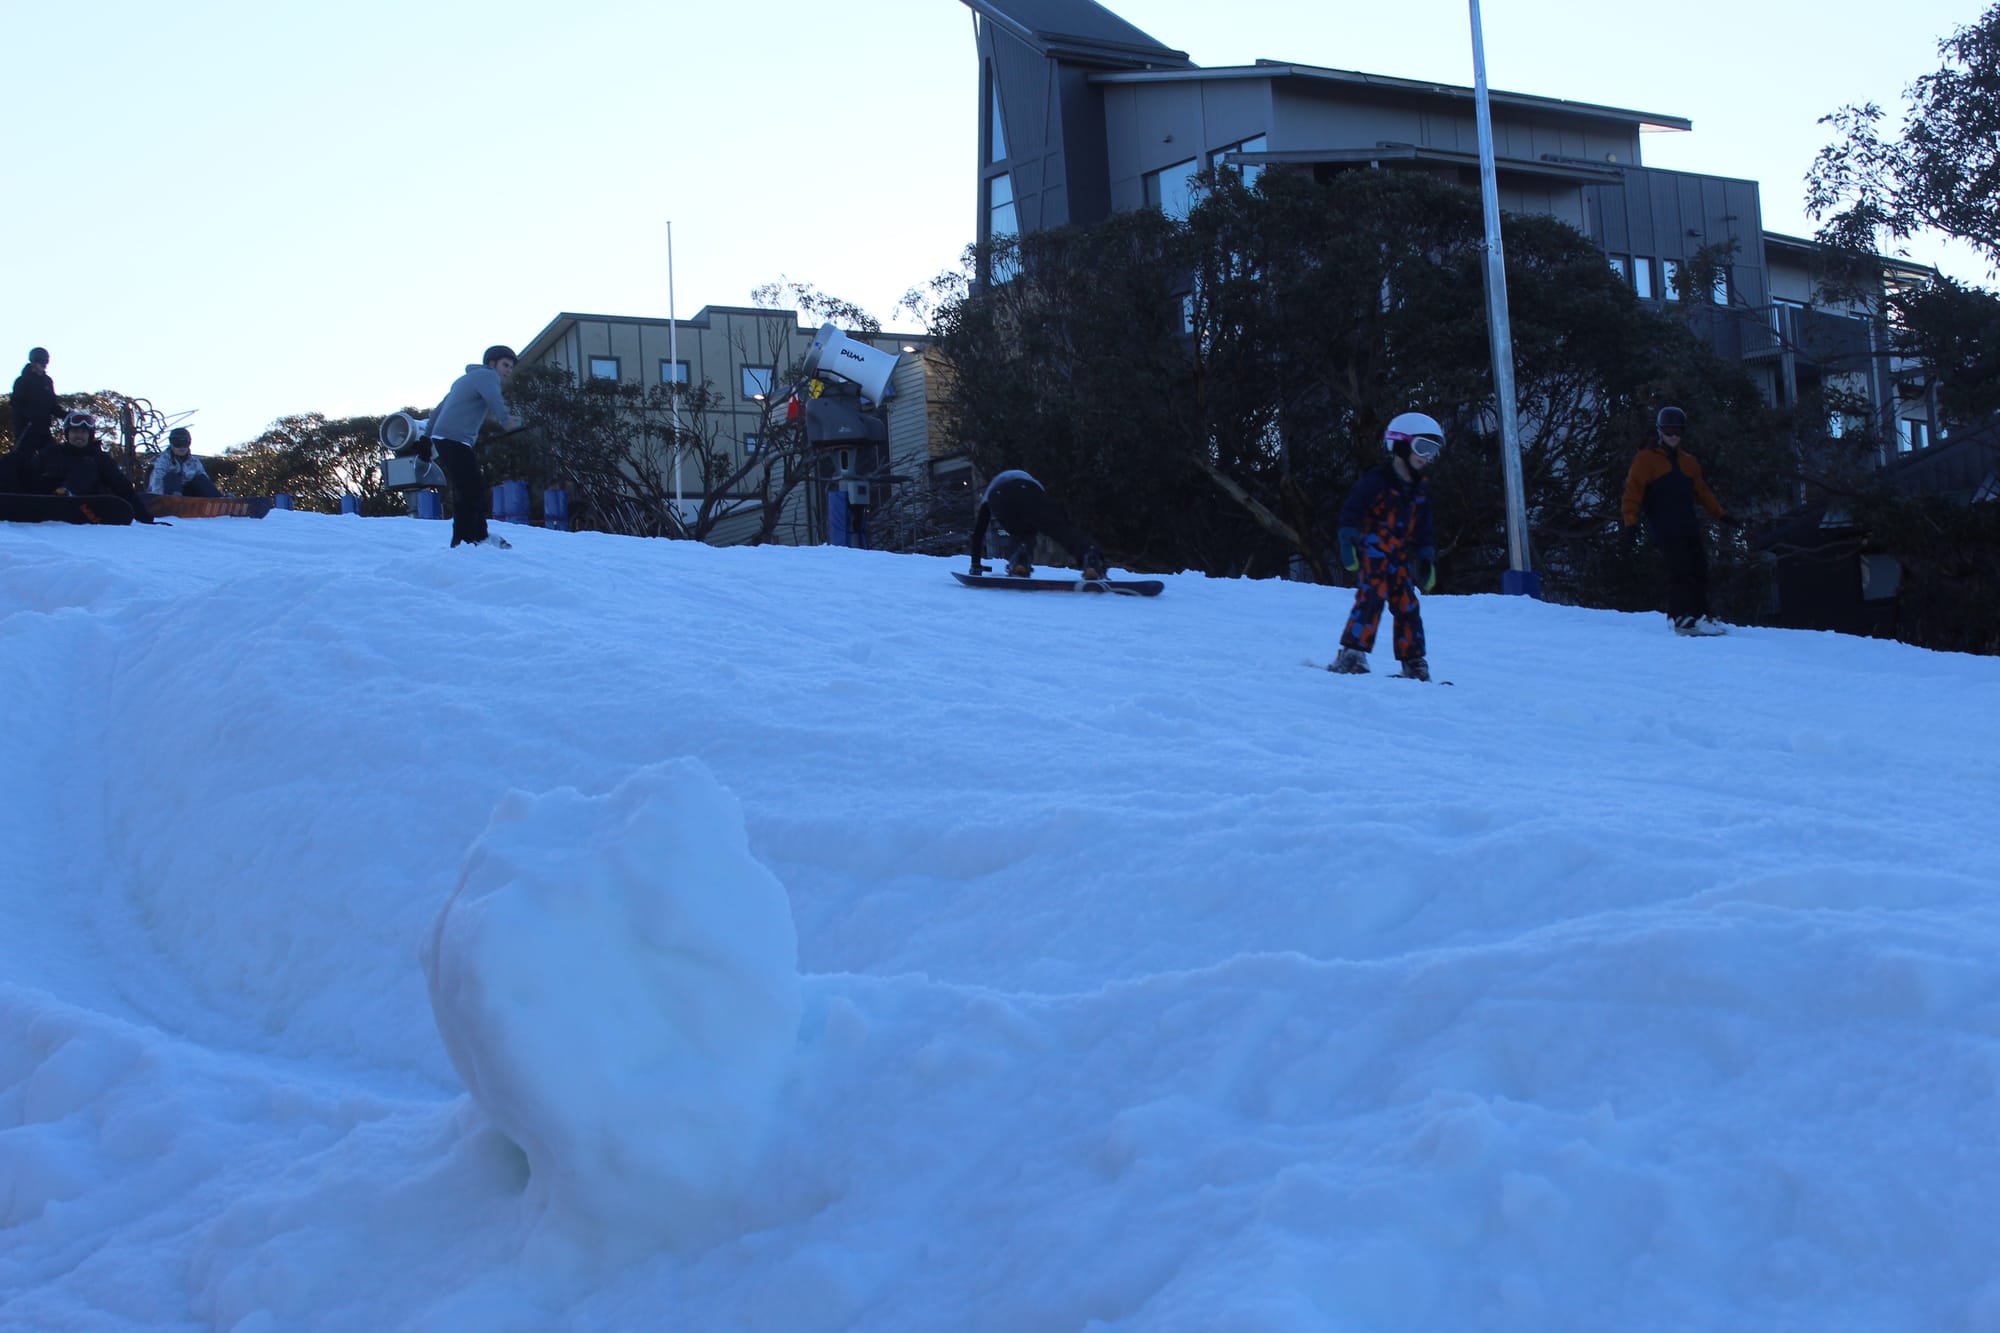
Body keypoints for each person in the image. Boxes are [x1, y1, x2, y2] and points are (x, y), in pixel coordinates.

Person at [1328, 412, 1444, 680]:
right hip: (1373, 552)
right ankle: (1353, 653)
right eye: (1422, 448)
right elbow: (1351, 512)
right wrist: (1348, 540)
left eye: (1433, 451)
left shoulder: (1420, 489)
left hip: (1400, 556)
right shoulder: (1376, 481)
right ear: (1402, 445)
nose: (1427, 457)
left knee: (1408, 605)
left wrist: (1426, 557)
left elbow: (1424, 526)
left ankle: (1413, 660)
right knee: (1371, 599)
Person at [1620, 405, 1737, 636]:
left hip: (1687, 523)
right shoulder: (1646, 459)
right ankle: (1681, 617)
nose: (1673, 436)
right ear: (1660, 431)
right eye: (1668, 431)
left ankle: (1700, 615)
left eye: (1677, 431)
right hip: (1663, 525)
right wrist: (1630, 522)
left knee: (1699, 567)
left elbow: (1702, 492)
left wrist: (1721, 514)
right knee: (1680, 569)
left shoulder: (1688, 462)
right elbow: (1632, 492)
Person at [424, 345, 523, 548]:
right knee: (470, 490)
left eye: (511, 367)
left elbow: (439, 409)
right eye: (505, 365)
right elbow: (495, 399)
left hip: (444, 438)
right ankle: (464, 540)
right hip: (455, 439)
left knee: (470, 488)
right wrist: (505, 420)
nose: (508, 371)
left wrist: (426, 438)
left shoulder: (463, 380)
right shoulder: (488, 376)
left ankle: (478, 535)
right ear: (491, 363)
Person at [10, 410, 159, 522]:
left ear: (90, 435)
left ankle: (68, 495)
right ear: (67, 434)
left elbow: (122, 487)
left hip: (84, 506)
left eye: (83, 432)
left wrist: (145, 517)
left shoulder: (99, 458)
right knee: (14, 459)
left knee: (84, 464)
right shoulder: (51, 453)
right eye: (75, 431)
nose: (79, 436)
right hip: (47, 499)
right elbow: (30, 475)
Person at [967, 469, 1106, 581]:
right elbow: (1056, 517)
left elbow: (979, 531)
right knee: (1063, 531)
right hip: (1032, 493)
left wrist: (975, 565)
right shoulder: (1032, 483)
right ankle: (1090, 556)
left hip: (1000, 497)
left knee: (1020, 532)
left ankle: (1019, 559)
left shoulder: (989, 491)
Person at [9, 347, 60, 461]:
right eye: (40, 362)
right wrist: (28, 417)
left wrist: (68, 415)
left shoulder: (47, 381)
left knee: (53, 456)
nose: (43, 366)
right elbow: (16, 403)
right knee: (23, 460)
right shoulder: (23, 380)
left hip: (44, 429)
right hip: (27, 429)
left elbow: (52, 405)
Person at [148, 426, 221, 498]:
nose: (182, 447)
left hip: (187, 494)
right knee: (172, 476)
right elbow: (157, 480)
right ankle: (175, 499)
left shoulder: (194, 462)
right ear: (171, 444)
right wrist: (157, 498)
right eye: (177, 443)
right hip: (167, 494)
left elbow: (205, 481)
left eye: (185, 443)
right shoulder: (163, 461)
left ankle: (218, 499)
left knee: (201, 478)